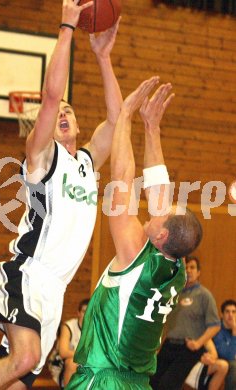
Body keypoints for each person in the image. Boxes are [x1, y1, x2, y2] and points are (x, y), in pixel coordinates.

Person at [0, 0, 122, 389]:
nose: (62, 113)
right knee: (27, 357)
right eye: (57, 113)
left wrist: (103, 57)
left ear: (78, 122)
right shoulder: (42, 156)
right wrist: (67, 29)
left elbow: (116, 121)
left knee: (21, 379)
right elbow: (51, 96)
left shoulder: (88, 163)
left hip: (56, 290)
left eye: (69, 110)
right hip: (29, 273)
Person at [66, 77, 203, 390]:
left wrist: (124, 116)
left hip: (104, 379)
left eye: (162, 213)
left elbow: (122, 177)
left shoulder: (133, 253)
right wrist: (151, 128)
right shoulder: (177, 267)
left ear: (162, 237)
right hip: (138, 382)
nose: (159, 207)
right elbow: (157, 189)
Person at [150, 256, 221, 390]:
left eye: (192, 267)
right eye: (186, 267)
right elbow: (167, 323)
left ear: (199, 272)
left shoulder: (204, 295)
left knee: (168, 384)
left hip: (189, 348)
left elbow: (215, 326)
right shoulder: (175, 293)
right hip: (169, 344)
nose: (188, 270)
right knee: (152, 382)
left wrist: (198, 343)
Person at [59, 298, 89, 386]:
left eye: (89, 311)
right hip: (61, 364)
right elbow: (63, 352)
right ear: (78, 313)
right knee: (72, 362)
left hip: (85, 361)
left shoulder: (95, 328)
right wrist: (86, 355)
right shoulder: (69, 326)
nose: (87, 314)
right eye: (84, 311)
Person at [213, 299, 236, 390]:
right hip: (217, 361)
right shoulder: (216, 329)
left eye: (234, 312)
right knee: (234, 366)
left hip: (230, 360)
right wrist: (234, 332)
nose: (231, 315)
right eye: (227, 312)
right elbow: (227, 355)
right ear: (222, 314)